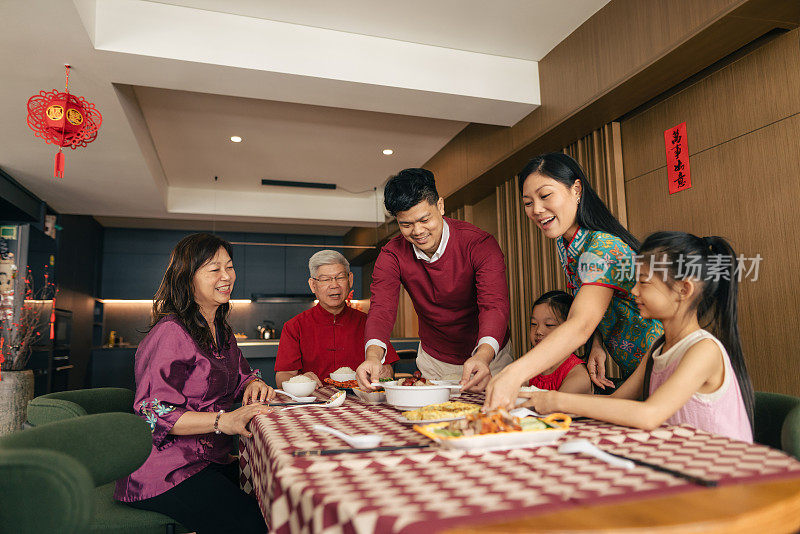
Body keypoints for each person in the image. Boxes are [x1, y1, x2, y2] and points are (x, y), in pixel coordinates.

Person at [520, 232, 754, 443]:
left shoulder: (703, 350)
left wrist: (556, 401)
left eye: (644, 282)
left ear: (684, 290)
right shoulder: (659, 348)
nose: (634, 291)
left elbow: (648, 414)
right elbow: (617, 402)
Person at [115, 233, 272, 534]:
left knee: (270, 500)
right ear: (187, 278)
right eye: (214, 269)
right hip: (167, 470)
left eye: (230, 267)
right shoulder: (171, 333)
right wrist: (222, 421)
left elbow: (240, 376)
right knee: (254, 524)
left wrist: (253, 382)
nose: (227, 277)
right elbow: (152, 413)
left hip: (209, 459)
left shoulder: (221, 330)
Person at [485, 153, 663, 409]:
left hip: (664, 363)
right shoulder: (566, 245)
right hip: (638, 374)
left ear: (576, 189)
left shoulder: (601, 247)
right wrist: (598, 344)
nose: (536, 209)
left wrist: (514, 373)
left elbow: (580, 323)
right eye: (527, 202)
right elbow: (597, 302)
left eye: (545, 196)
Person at [357, 168, 511, 392]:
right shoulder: (392, 254)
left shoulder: (479, 244)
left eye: (424, 219)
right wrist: (373, 357)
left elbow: (494, 305)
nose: (417, 231)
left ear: (440, 206)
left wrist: (484, 355)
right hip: (434, 362)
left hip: (489, 357)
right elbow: (381, 308)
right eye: (406, 225)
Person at [275, 250, 398, 387]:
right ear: (312, 285)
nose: (334, 285)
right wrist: (301, 379)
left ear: (350, 280)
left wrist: (383, 374)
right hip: (315, 403)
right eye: (325, 279)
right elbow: (282, 376)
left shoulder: (370, 323)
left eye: (340, 277)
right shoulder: (295, 326)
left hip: (362, 401)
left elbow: (388, 369)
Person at [527, 291, 592, 394]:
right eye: (533, 324)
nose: (538, 331)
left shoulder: (577, 375)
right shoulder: (529, 368)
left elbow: (556, 407)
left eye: (549, 325)